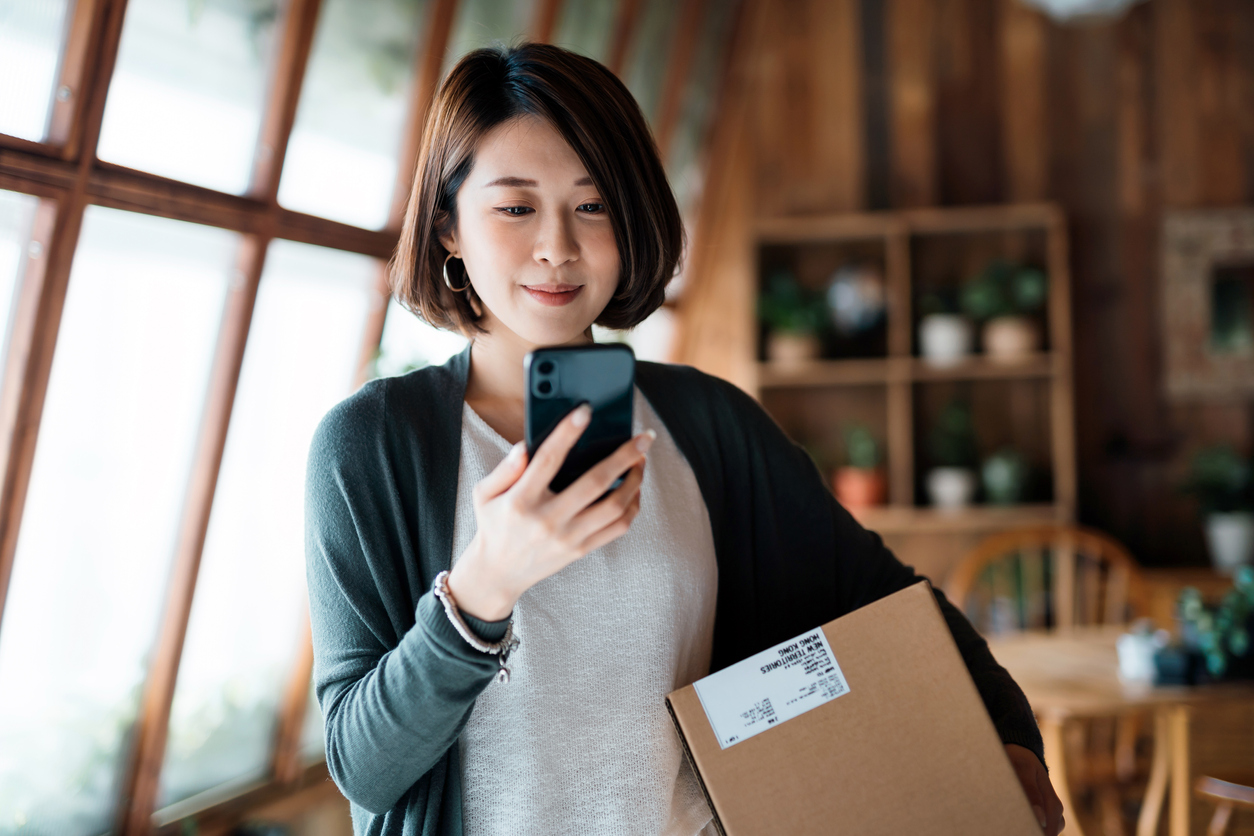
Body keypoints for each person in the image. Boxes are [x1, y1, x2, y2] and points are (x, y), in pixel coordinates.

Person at [305, 43, 1064, 836]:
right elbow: (365, 768)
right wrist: (484, 588)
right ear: (450, 230)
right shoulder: (370, 448)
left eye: (592, 206)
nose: (558, 246)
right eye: (516, 206)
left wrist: (1007, 738)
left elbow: (887, 600)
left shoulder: (707, 426)